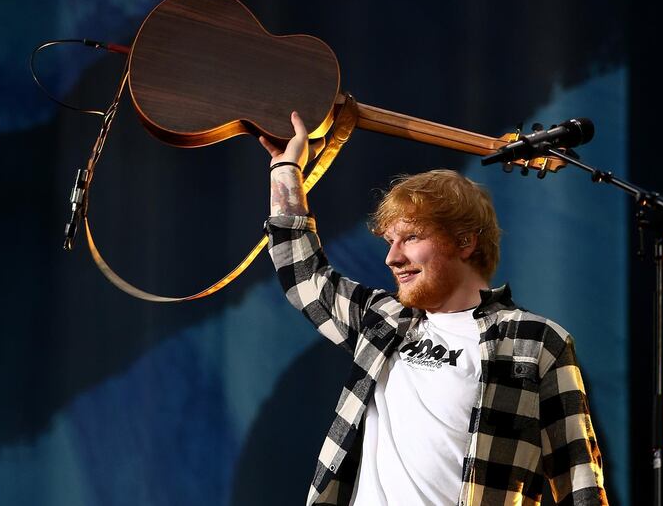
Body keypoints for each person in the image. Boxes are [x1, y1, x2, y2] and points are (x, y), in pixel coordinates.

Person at [260, 112, 608, 506]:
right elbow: (304, 275)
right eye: (390, 241)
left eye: (410, 238)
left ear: (464, 242)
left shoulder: (534, 342)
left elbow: (578, 479)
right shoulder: (385, 319)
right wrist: (285, 169)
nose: (392, 257)